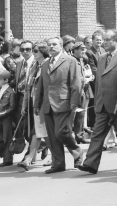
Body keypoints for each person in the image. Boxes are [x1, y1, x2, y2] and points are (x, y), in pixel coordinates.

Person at [77, 30, 117, 175]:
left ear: (116, 40)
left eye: (107, 40)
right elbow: (99, 81)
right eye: (103, 39)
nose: (104, 42)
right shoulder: (102, 57)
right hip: (102, 104)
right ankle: (90, 163)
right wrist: (97, 100)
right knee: (97, 133)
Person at [33, 36, 84, 173]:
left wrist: (74, 103)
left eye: (54, 44)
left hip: (64, 102)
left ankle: (77, 152)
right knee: (52, 136)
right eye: (49, 45)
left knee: (61, 132)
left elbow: (76, 84)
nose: (51, 47)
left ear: (61, 46)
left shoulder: (70, 61)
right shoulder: (45, 64)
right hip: (47, 104)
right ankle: (58, 163)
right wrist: (36, 104)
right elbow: (40, 87)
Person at [18, 42, 52, 171]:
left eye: (35, 51)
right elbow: (28, 87)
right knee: (39, 131)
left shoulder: (48, 64)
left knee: (39, 131)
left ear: (43, 52)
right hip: (34, 102)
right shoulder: (34, 66)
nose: (33, 52)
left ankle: (29, 158)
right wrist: (24, 105)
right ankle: (30, 158)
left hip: (44, 103)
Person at [0, 70, 16, 167]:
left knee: (7, 138)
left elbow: (12, 108)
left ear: (6, 80)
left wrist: (0, 114)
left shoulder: (11, 92)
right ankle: (4, 154)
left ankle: (8, 159)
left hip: (6, 118)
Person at [71, 42, 93, 144]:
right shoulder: (71, 60)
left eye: (84, 49)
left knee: (81, 114)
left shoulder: (81, 60)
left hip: (83, 90)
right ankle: (69, 137)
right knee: (72, 115)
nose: (83, 51)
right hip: (74, 92)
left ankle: (79, 136)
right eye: (81, 49)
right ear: (75, 50)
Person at [13, 39, 34, 141]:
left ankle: (39, 147)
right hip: (20, 96)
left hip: (32, 97)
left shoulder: (37, 63)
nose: (25, 52)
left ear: (32, 50)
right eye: (22, 49)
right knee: (21, 124)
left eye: (28, 49)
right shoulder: (19, 63)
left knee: (31, 125)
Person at [85, 31, 105, 130]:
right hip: (95, 82)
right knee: (94, 102)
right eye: (97, 40)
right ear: (92, 41)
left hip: (103, 80)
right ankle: (93, 124)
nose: (99, 41)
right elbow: (93, 69)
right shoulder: (89, 52)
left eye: (100, 40)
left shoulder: (103, 50)